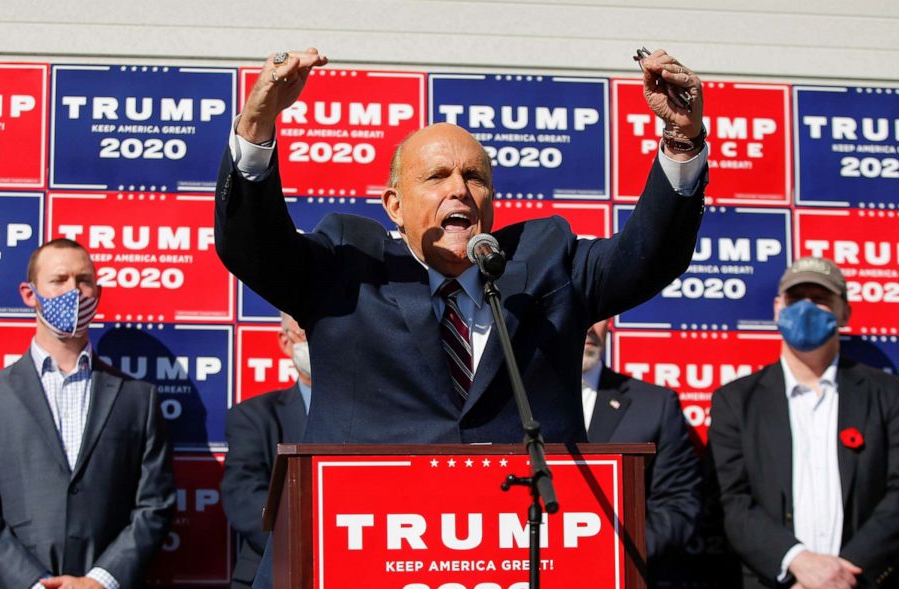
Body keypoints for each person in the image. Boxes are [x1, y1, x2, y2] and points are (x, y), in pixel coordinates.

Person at [215, 47, 707, 445]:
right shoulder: (348, 263)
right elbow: (253, 248)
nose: (459, 190)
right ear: (394, 205)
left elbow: (649, 256)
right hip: (362, 542)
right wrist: (256, 129)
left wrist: (682, 140)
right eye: (436, 177)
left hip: (522, 545)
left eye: (474, 177)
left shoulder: (549, 261)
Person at [0, 238, 176, 589]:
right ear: (29, 294)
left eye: (84, 280)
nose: (73, 291)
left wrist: (97, 584)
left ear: (98, 292)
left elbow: (155, 506)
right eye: (58, 280)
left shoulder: (137, 399)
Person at [708, 256, 899, 589]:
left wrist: (843, 569)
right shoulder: (735, 402)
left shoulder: (889, 395)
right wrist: (799, 561)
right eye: (796, 298)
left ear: (845, 310)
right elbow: (732, 504)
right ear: (778, 309)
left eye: (821, 298)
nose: (806, 308)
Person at [582, 318, 701, 589]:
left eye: (600, 313)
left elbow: (679, 506)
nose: (591, 325)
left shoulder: (654, 404)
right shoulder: (511, 401)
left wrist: (612, 554)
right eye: (580, 309)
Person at [218, 313, 310, 589]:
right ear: (286, 342)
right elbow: (243, 497)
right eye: (305, 331)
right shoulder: (253, 416)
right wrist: (311, 545)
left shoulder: (373, 416)